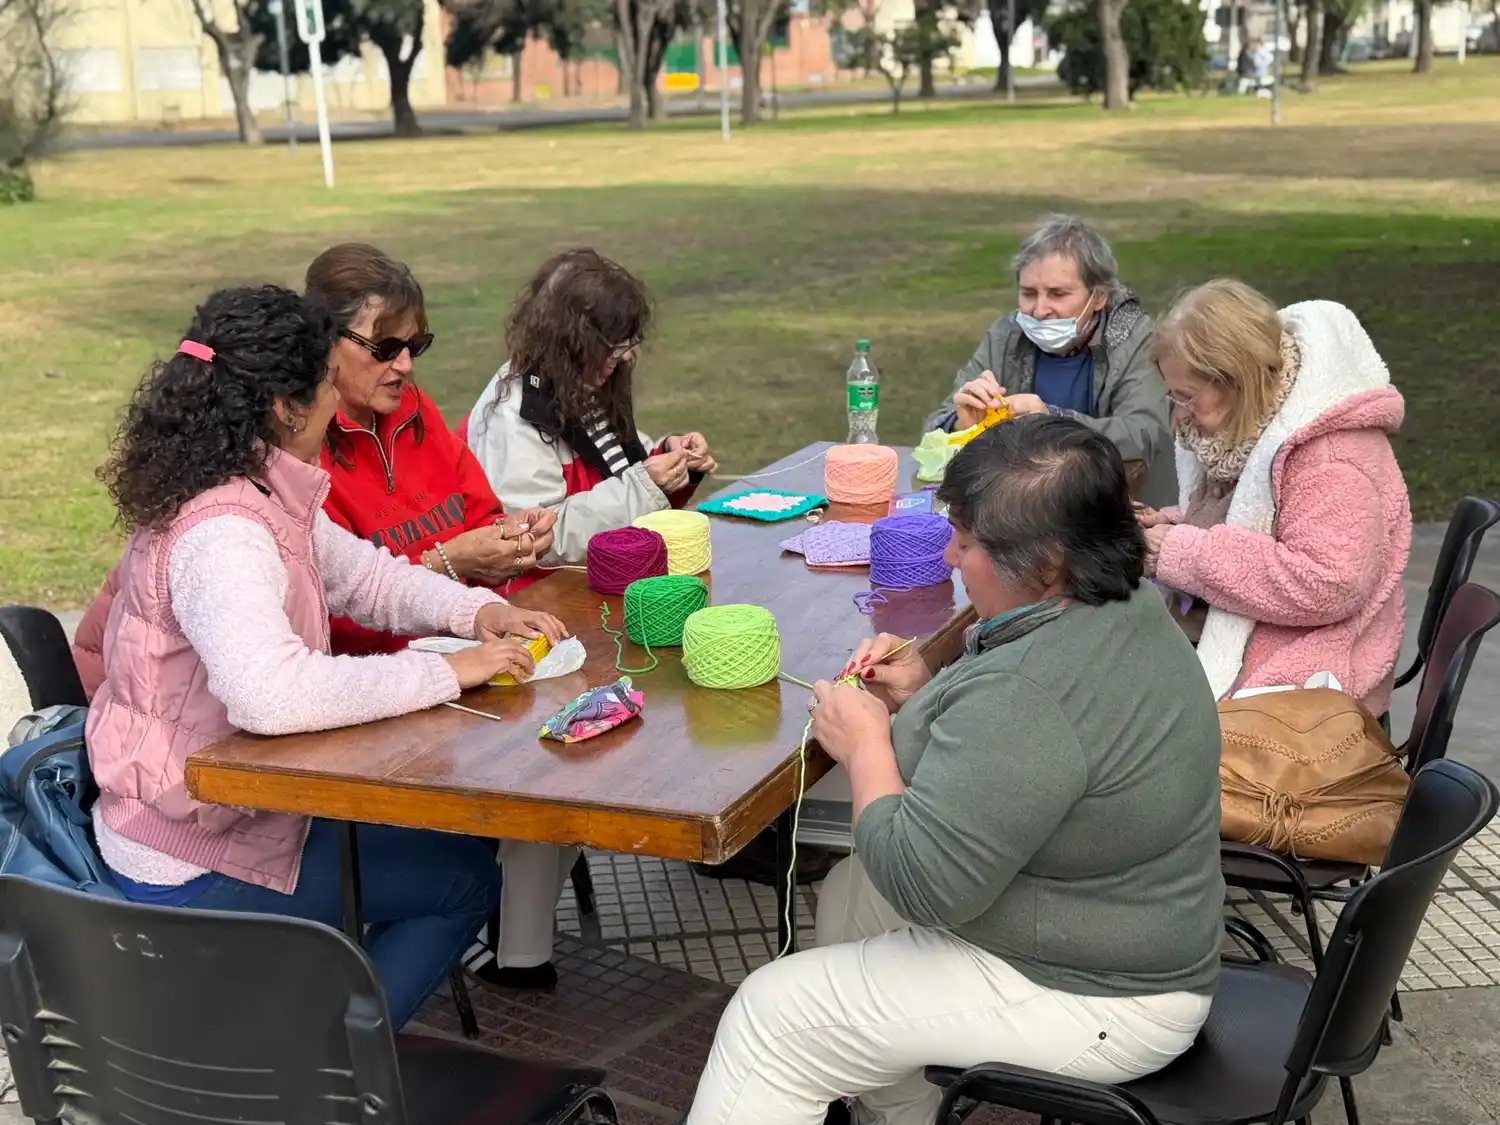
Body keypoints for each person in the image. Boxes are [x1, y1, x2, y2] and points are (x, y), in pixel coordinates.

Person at [685, 417, 1225, 1125]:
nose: (948, 553)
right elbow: (1029, 740)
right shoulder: (1121, 604)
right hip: (1132, 932)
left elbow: (924, 883)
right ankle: (902, 1111)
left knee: (771, 1019)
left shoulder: (1032, 688)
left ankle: (815, 1080)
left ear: (1050, 561)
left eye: (968, 542)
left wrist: (869, 745)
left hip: (1103, 996)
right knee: (851, 894)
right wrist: (923, 690)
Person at [74, 285, 569, 1030]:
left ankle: (304, 1032)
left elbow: (364, 576)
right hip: (190, 857)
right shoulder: (225, 533)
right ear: (283, 405)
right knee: (464, 881)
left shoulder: (250, 484)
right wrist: (448, 669)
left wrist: (479, 611)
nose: (339, 408)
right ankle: (324, 1073)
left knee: (447, 848)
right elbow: (269, 696)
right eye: (327, 388)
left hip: (216, 815)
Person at [1137, 280, 1411, 716]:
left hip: (1306, 693)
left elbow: (1326, 583)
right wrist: (1165, 526)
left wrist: (1176, 549)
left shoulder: (1332, 456)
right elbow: (1249, 523)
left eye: (1186, 396)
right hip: (1257, 649)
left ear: (1236, 381)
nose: (1179, 413)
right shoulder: (1247, 430)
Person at [305, 243, 558, 658]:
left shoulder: (415, 409)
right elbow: (326, 618)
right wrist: (446, 563)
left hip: (477, 652)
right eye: (385, 349)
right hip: (389, 682)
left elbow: (481, 517)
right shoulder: (302, 454)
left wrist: (512, 538)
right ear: (325, 341)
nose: (405, 366)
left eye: (414, 346)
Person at [464, 248, 717, 564]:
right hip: (546, 598)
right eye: (615, 347)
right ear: (572, 345)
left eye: (628, 345)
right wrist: (645, 486)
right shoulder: (514, 418)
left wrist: (670, 456)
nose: (625, 357)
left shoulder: (580, 382)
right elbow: (537, 540)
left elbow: (619, 469)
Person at [922, 215, 1175, 506]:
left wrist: (1053, 420)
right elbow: (933, 430)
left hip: (1118, 510)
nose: (1040, 309)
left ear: (1100, 297)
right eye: (1028, 293)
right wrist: (961, 425)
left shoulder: (1136, 337)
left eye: (1058, 294)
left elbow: (1145, 434)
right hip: (1023, 510)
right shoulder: (1007, 334)